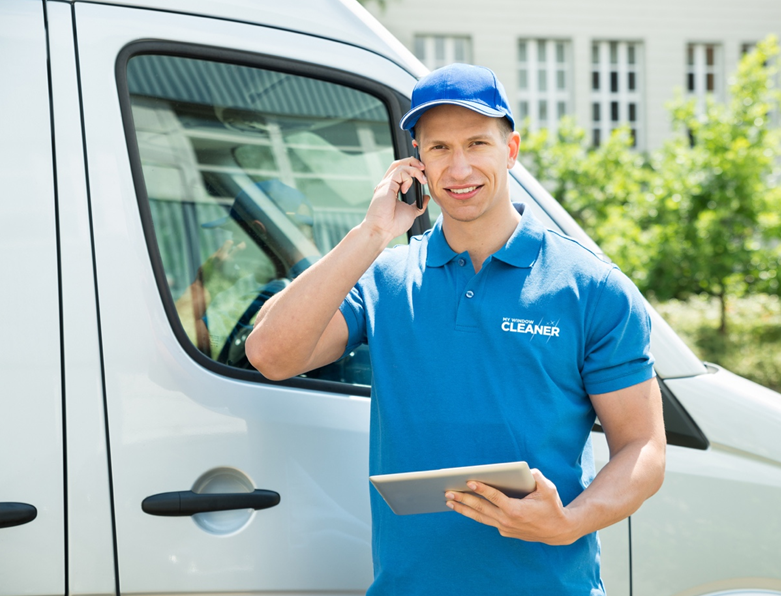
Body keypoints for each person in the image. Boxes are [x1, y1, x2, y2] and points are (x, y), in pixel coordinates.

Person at [246, 63, 665, 595]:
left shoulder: (592, 286)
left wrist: (570, 521)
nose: (459, 167)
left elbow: (643, 449)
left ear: (510, 150)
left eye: (477, 143)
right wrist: (373, 232)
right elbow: (269, 355)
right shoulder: (386, 278)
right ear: (415, 161)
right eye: (439, 148)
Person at [175, 179, 319, 366]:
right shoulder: (335, 284)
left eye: (236, 236)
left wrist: (207, 283)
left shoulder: (272, 298)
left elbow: (179, 341)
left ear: (258, 231)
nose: (232, 247)